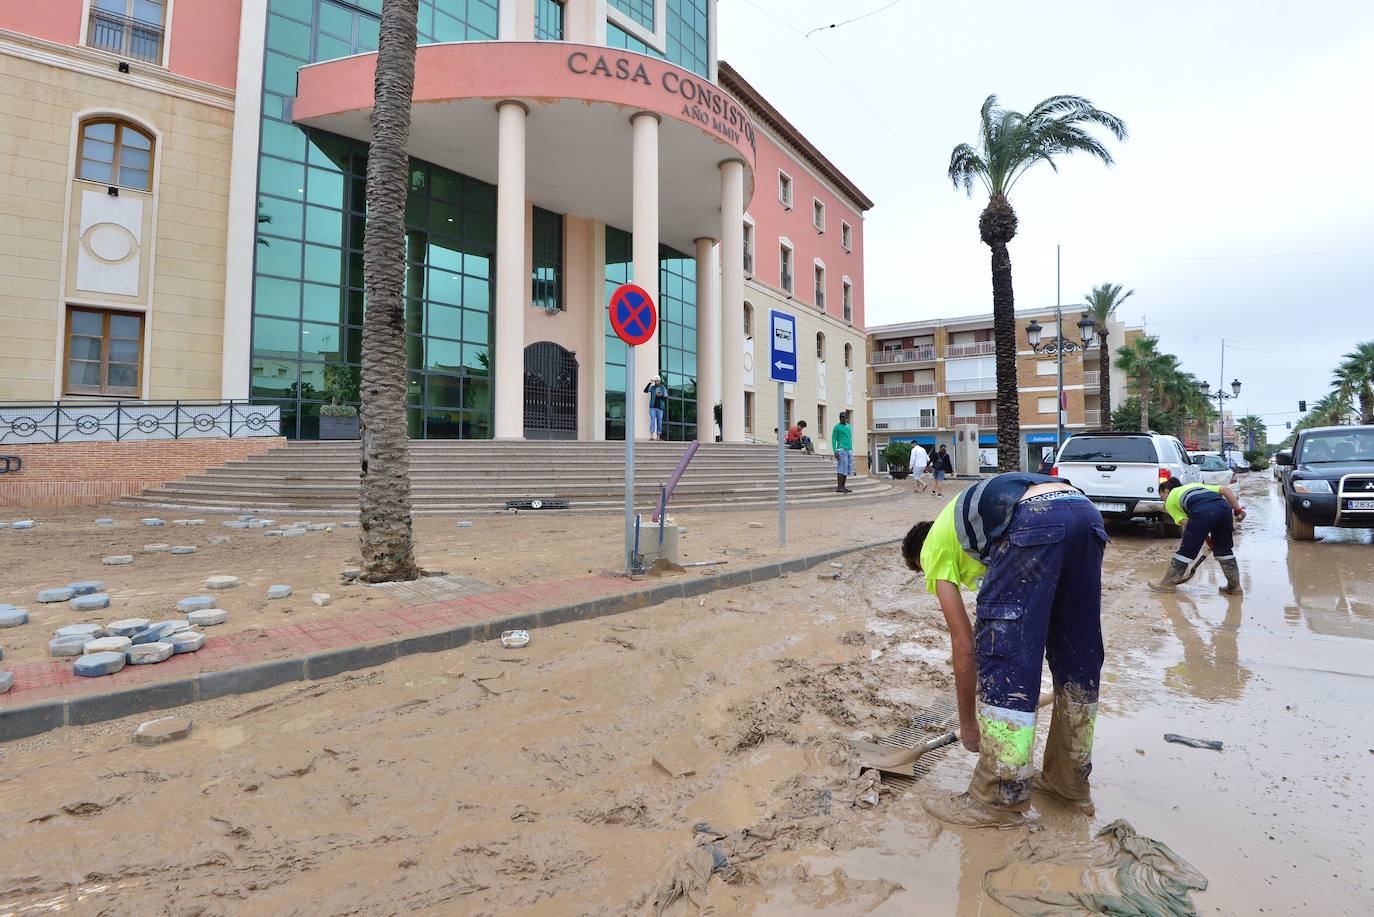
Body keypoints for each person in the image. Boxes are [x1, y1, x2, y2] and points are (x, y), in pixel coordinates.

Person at [901, 473, 1108, 828]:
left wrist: (968, 725)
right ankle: (1068, 783)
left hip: (1034, 519)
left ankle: (998, 795)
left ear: (920, 559)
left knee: (1005, 653)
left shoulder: (934, 549)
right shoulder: (969, 527)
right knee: (1077, 649)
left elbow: (963, 645)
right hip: (1085, 513)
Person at [1149, 478, 1247, 594]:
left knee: (1186, 551)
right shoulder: (1195, 485)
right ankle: (1235, 587)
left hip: (1201, 511)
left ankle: (1167, 584)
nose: (1162, 499)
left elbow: (1189, 524)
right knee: (1224, 550)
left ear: (1166, 490)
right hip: (1224, 509)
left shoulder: (1170, 501)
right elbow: (1225, 490)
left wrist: (1203, 534)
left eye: (1161, 496)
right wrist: (1238, 510)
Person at [832, 411, 854, 494]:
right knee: (841, 468)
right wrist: (835, 451)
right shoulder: (837, 427)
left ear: (846, 418)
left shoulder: (848, 427)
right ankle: (839, 487)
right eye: (841, 417)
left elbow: (849, 438)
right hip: (841, 450)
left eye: (844, 417)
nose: (842, 418)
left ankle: (843, 486)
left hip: (849, 450)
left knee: (847, 469)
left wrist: (851, 449)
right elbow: (833, 439)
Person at [643, 376, 668, 441]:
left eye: (657, 381)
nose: (656, 382)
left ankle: (658, 437)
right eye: (655, 381)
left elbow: (665, 398)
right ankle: (651, 436)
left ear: (659, 381)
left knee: (659, 422)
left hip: (660, 408)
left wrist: (660, 396)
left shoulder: (663, 388)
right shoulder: (652, 388)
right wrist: (649, 383)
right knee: (652, 421)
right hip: (652, 408)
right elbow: (645, 391)